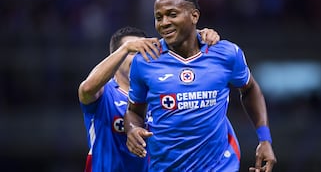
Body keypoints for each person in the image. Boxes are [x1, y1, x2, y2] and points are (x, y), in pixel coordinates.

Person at [124, 0, 277, 172]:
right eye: (158, 17)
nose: (164, 23)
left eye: (172, 14)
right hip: (165, 167)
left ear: (194, 16)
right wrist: (132, 129)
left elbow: (250, 89)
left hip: (220, 166)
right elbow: (134, 111)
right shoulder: (145, 60)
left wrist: (264, 139)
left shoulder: (225, 53)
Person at [78, 26, 220, 172]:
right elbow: (87, 89)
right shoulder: (105, 93)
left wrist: (198, 39)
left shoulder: (160, 94)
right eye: (132, 52)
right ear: (117, 56)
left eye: (143, 51)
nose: (138, 58)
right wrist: (125, 48)